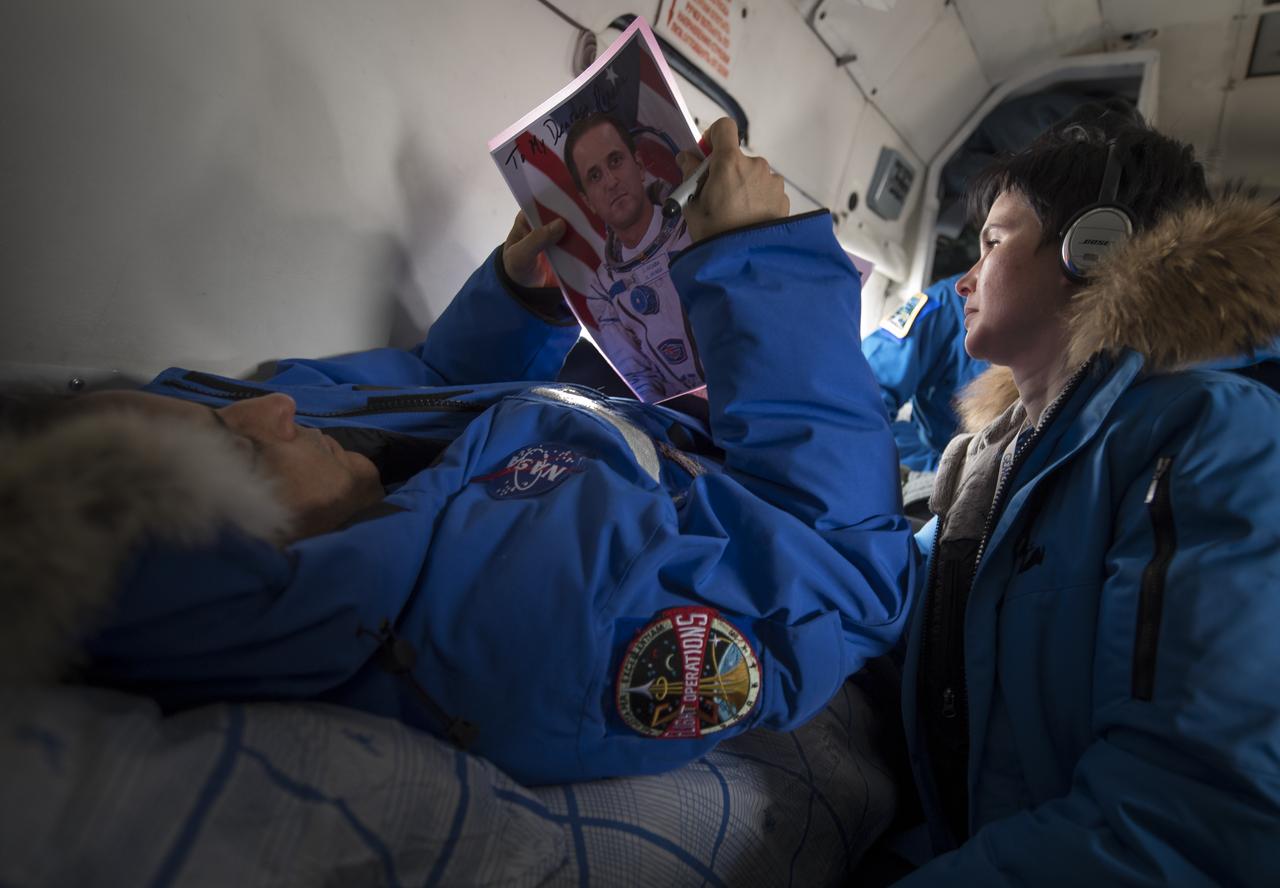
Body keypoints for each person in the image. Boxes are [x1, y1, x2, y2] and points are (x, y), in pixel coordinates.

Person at [1, 119, 916, 787]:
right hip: (789, 482)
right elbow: (853, 580)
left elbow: (432, 393)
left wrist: (523, 301)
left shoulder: (317, 469)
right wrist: (758, 269)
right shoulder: (534, 630)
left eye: (216, 405)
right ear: (267, 572)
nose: (275, 406)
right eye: (239, 451)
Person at [895, 105, 1280, 883]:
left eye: (992, 243)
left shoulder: (1211, 434)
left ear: (1091, 247)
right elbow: (896, 621)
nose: (963, 280)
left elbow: (1184, 820)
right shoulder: (984, 457)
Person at [564, 112, 702, 401]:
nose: (611, 181)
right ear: (588, 201)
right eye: (595, 176)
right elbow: (638, 380)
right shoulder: (604, 290)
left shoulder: (698, 225)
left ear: (639, 166)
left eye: (615, 161)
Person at [861, 273, 989, 473]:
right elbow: (858, 398)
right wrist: (937, 471)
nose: (971, 277)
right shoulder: (950, 303)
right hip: (933, 465)